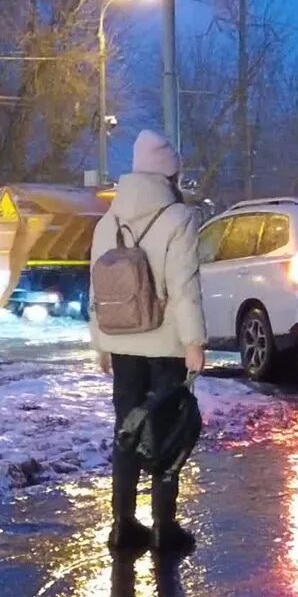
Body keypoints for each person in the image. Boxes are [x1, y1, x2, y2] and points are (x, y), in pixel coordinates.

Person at [90, 129, 206, 554]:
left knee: (125, 430)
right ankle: (163, 528)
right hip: (165, 344)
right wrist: (194, 341)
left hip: (121, 340)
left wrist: (99, 342)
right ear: (169, 175)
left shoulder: (108, 221)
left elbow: (96, 289)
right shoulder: (179, 219)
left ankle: (122, 526)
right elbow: (184, 286)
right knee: (166, 433)